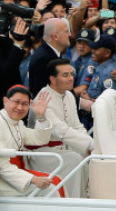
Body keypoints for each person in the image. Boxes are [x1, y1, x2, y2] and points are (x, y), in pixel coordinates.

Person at [0, 85, 56, 197]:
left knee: (55, 181)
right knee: (50, 189)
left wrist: (41, 117)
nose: (20, 107)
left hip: (17, 174)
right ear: (5, 101)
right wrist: (33, 179)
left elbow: (39, 139)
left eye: (25, 104)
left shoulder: (17, 123)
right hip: (0, 180)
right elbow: (2, 167)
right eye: (17, 102)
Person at [32, 58, 91, 198]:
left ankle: (83, 199)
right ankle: (71, 203)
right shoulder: (43, 98)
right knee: (75, 159)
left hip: (65, 148)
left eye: (71, 74)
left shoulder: (69, 95)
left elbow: (76, 126)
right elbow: (60, 130)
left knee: (85, 158)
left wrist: (90, 144)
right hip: (44, 153)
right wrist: (89, 144)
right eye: (65, 75)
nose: (71, 78)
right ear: (53, 79)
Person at [28, 18, 71, 98]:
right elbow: (43, 94)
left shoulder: (53, 53)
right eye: (66, 31)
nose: (70, 34)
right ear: (55, 37)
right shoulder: (43, 59)